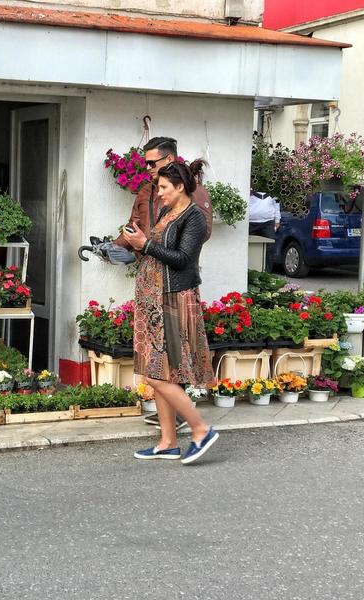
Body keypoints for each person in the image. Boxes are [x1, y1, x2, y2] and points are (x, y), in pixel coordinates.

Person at [121, 160, 219, 465]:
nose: (159, 192)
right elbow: (155, 249)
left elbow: (182, 259)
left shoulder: (195, 218)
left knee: (159, 375)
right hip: (153, 300)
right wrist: (138, 241)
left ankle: (201, 429)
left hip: (173, 300)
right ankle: (167, 442)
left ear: (179, 187)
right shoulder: (167, 212)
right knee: (160, 374)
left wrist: (146, 244)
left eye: (163, 187)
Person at [248, 191, 280, 271]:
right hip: (250, 222)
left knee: (269, 248)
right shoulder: (249, 189)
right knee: (249, 247)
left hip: (268, 222)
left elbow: (277, 205)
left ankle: (267, 273)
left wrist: (277, 221)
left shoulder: (274, 190)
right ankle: (248, 271)